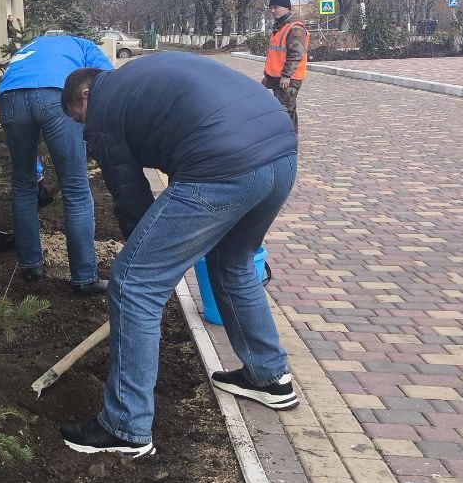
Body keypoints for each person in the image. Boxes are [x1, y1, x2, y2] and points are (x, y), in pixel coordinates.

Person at [58, 52, 299, 458]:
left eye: (78, 118)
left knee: (134, 284)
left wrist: (146, 263)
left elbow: (129, 193)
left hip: (223, 163)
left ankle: (125, 425)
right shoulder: (138, 76)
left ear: (84, 95)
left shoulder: (103, 108)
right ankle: (268, 376)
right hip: (280, 152)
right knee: (233, 263)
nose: (84, 130)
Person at [0, 35, 113, 295]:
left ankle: (31, 266)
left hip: (9, 96)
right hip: (55, 94)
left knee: (23, 184)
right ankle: (84, 279)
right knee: (76, 190)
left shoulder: (30, 46)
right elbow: (107, 81)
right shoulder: (83, 45)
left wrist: (38, 172)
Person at [261, 0, 308, 131]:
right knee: (285, 111)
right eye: (271, 8)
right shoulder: (281, 26)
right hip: (278, 78)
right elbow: (276, 55)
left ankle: (287, 143)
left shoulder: (294, 28)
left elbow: (296, 54)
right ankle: (287, 141)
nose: (273, 11)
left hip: (288, 79)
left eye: (276, 7)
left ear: (286, 7)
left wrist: (286, 75)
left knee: (285, 113)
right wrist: (268, 76)